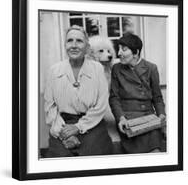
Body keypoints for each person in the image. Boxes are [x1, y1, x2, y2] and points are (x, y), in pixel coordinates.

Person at [44, 25, 113, 157]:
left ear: (87, 47)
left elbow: (101, 105)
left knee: (95, 158)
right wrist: (63, 133)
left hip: (92, 123)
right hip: (63, 124)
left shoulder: (97, 69)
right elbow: (50, 107)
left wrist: (78, 127)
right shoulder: (54, 70)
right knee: (59, 161)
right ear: (65, 45)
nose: (74, 45)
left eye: (79, 41)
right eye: (70, 40)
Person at [109, 33, 166, 154]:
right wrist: (121, 118)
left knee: (155, 153)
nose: (119, 53)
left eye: (124, 49)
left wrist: (161, 115)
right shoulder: (116, 69)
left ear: (136, 52)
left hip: (149, 117)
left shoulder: (151, 68)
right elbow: (114, 98)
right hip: (128, 119)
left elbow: (157, 97)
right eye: (118, 49)